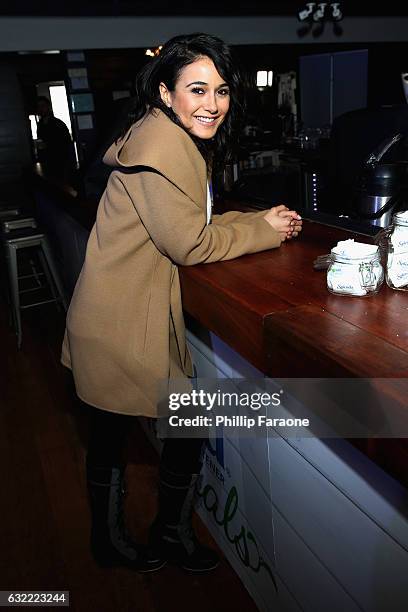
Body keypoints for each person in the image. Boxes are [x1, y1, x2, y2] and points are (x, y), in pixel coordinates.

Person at [61, 33, 302, 574]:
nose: (212, 104)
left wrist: (257, 222)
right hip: (120, 320)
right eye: (197, 89)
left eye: (221, 91)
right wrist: (261, 232)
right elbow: (189, 243)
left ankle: (162, 534)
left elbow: (189, 222)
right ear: (167, 93)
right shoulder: (164, 145)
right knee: (130, 433)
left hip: (120, 311)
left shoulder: (160, 134)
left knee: (132, 432)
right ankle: (130, 539)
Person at [36, 96, 76, 182]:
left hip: (60, 162)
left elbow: (67, 142)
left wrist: (49, 145)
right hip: (46, 162)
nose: (41, 109)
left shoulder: (58, 124)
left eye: (43, 106)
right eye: (39, 106)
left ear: (48, 107)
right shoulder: (40, 125)